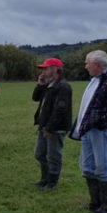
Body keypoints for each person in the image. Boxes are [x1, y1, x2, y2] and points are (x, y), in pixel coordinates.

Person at [70, 50, 107, 213]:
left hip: (101, 131)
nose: (85, 66)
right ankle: (95, 203)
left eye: (87, 63)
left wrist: (103, 124)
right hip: (89, 130)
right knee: (87, 168)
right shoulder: (96, 80)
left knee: (104, 168)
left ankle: (106, 207)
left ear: (96, 64)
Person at [32, 58, 72, 190]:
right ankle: (44, 179)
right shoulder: (48, 85)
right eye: (42, 69)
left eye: (46, 68)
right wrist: (40, 84)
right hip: (44, 125)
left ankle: (52, 183)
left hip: (55, 127)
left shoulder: (62, 87)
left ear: (55, 70)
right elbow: (35, 98)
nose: (43, 71)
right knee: (40, 154)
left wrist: (50, 128)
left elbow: (60, 110)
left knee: (53, 156)